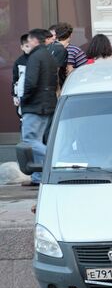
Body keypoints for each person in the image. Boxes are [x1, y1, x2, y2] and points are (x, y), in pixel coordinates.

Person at [21, 29, 58, 186]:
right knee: (36, 141)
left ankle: (57, 160)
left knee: (29, 141)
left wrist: (24, 99)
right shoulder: (48, 56)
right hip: (46, 104)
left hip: (35, 105)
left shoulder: (35, 57)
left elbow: (30, 82)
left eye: (29, 40)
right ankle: (38, 177)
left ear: (35, 40)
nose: (27, 44)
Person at [11, 34, 32, 117]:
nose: (29, 48)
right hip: (22, 94)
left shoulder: (38, 59)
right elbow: (15, 79)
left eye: (31, 46)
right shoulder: (18, 62)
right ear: (22, 47)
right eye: (27, 46)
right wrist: (14, 96)